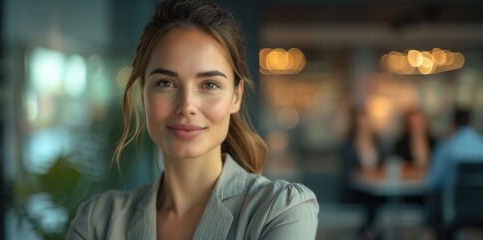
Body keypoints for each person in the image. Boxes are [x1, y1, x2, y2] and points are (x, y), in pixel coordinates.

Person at [66, 0, 319, 239]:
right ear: (143, 94)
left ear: (236, 97)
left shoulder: (280, 211)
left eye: (209, 84)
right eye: (166, 83)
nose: (186, 106)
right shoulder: (99, 220)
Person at [425, 108, 483, 239]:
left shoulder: (447, 146)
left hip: (454, 210)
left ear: (454, 123)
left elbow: (431, 182)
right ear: (471, 122)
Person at [340, 107, 385, 239]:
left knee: (375, 196)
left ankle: (369, 230)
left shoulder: (378, 142)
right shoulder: (348, 145)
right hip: (357, 188)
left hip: (377, 185)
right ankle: (372, 229)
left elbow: (384, 164)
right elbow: (346, 172)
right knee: (369, 197)